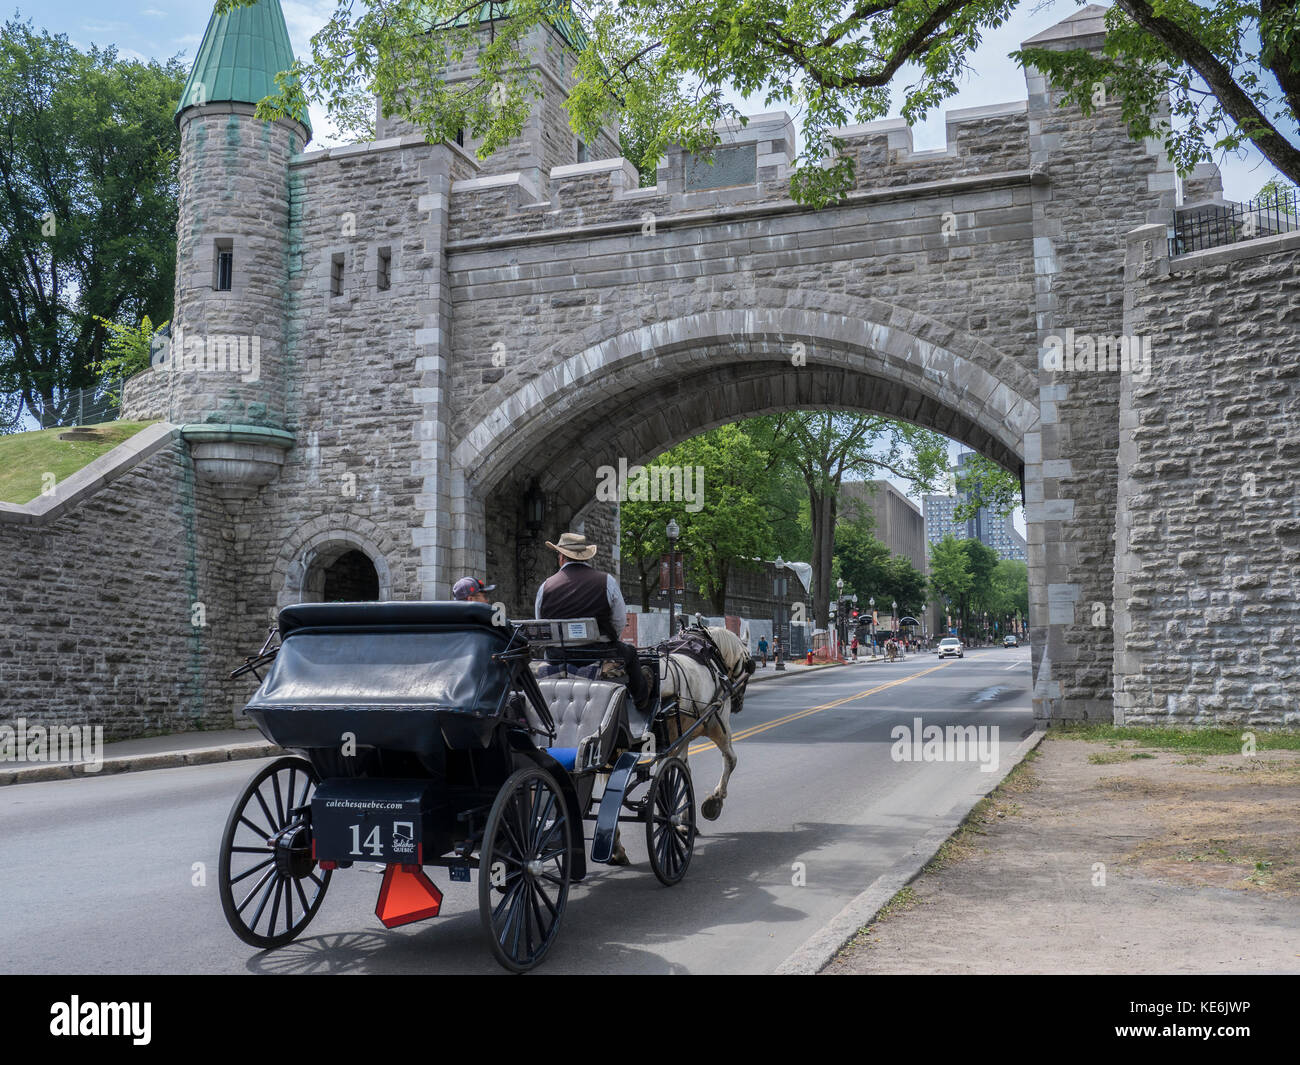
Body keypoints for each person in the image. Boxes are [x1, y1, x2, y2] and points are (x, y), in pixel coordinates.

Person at [535, 531, 652, 714]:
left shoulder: (545, 586)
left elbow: (541, 624)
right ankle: (641, 703)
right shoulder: (607, 581)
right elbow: (619, 622)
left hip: (557, 656)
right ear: (585, 557)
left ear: (561, 558)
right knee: (630, 653)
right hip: (599, 654)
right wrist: (609, 639)